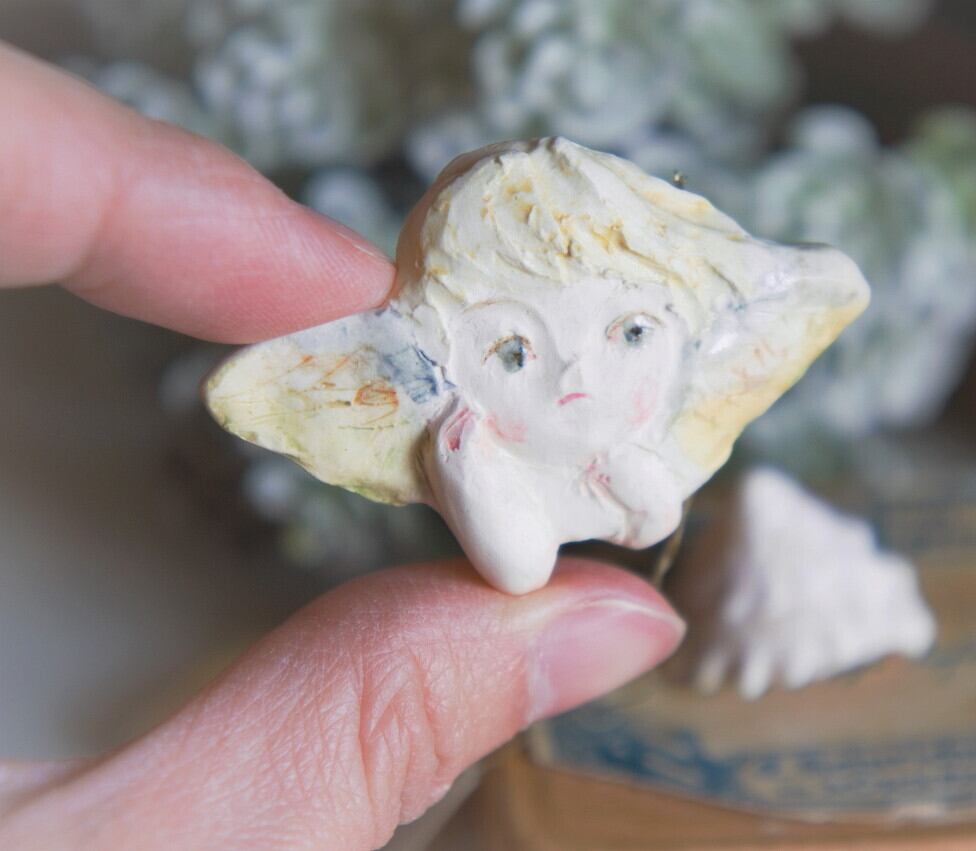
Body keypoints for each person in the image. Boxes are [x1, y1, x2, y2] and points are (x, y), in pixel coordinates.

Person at [0, 42, 685, 850]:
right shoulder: (471, 434)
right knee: (521, 562)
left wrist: (632, 476)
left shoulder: (635, 428)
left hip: (602, 470)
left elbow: (654, 511)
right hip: (503, 485)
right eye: (513, 353)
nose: (577, 376)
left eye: (627, 333)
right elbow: (522, 562)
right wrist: (472, 474)